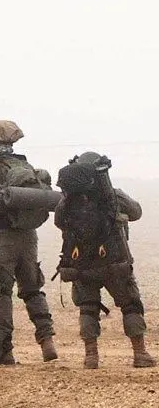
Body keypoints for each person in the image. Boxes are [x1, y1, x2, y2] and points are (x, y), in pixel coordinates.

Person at [0, 121, 59, 365]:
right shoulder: (25, 167)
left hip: (0, 238)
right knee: (32, 289)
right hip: (28, 237)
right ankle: (47, 341)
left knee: (1, 293)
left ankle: (2, 353)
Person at [54, 151, 152, 369]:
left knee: (88, 308)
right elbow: (136, 212)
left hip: (81, 266)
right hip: (114, 263)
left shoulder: (66, 202)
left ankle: (91, 357)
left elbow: (59, 223)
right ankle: (140, 354)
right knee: (131, 305)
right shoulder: (113, 196)